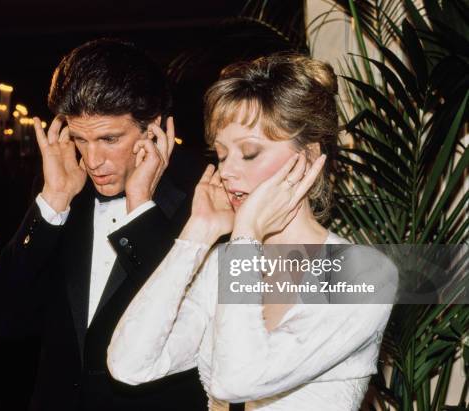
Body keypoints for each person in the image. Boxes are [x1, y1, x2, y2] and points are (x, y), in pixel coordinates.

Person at [107, 54, 398, 410]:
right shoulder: (222, 264)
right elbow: (129, 365)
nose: (226, 171)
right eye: (222, 154)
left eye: (249, 153)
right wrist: (197, 234)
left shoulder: (365, 272)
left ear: (306, 157)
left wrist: (246, 235)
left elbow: (237, 380)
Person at [0, 38, 207, 411]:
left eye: (109, 138)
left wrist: (140, 208)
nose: (93, 158)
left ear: (152, 127)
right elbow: (2, 317)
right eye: (80, 138)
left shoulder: (206, 190)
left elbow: (198, 323)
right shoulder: (64, 186)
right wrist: (52, 204)